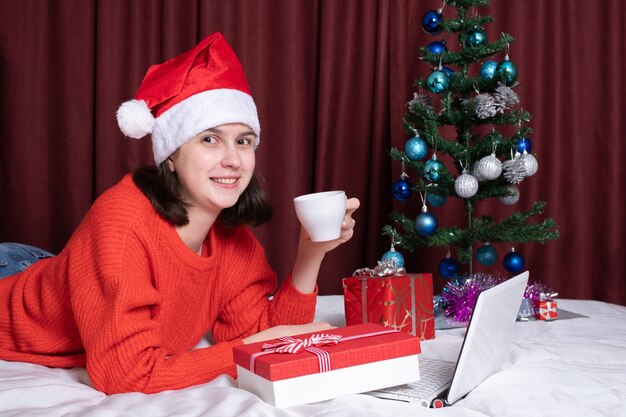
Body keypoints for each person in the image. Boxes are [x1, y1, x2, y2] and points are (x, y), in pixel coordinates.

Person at [0, 32, 359, 395]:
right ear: (170, 156)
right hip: (12, 287)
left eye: (243, 140)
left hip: (57, 271)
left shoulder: (232, 244)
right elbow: (125, 376)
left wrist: (309, 255)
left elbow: (271, 334)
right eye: (209, 139)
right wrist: (251, 349)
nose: (233, 159)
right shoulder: (121, 225)